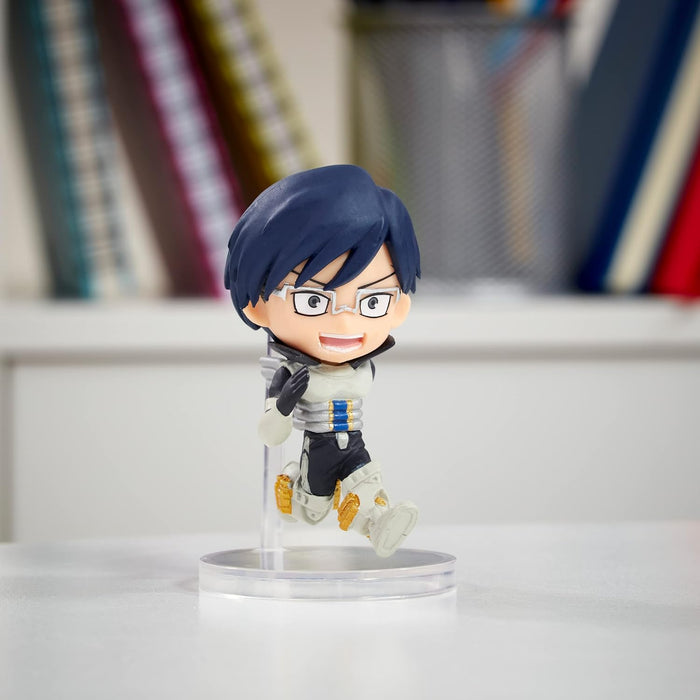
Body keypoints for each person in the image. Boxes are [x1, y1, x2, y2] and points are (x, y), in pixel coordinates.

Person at [224, 164, 420, 557]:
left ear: (399, 307)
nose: (345, 322)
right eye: (313, 300)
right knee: (312, 509)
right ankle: (295, 485)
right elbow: (270, 433)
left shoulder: (362, 365)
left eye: (373, 301)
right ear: (258, 305)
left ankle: (379, 524)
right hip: (317, 449)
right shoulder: (288, 374)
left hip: (353, 444)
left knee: (367, 484)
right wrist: (283, 404)